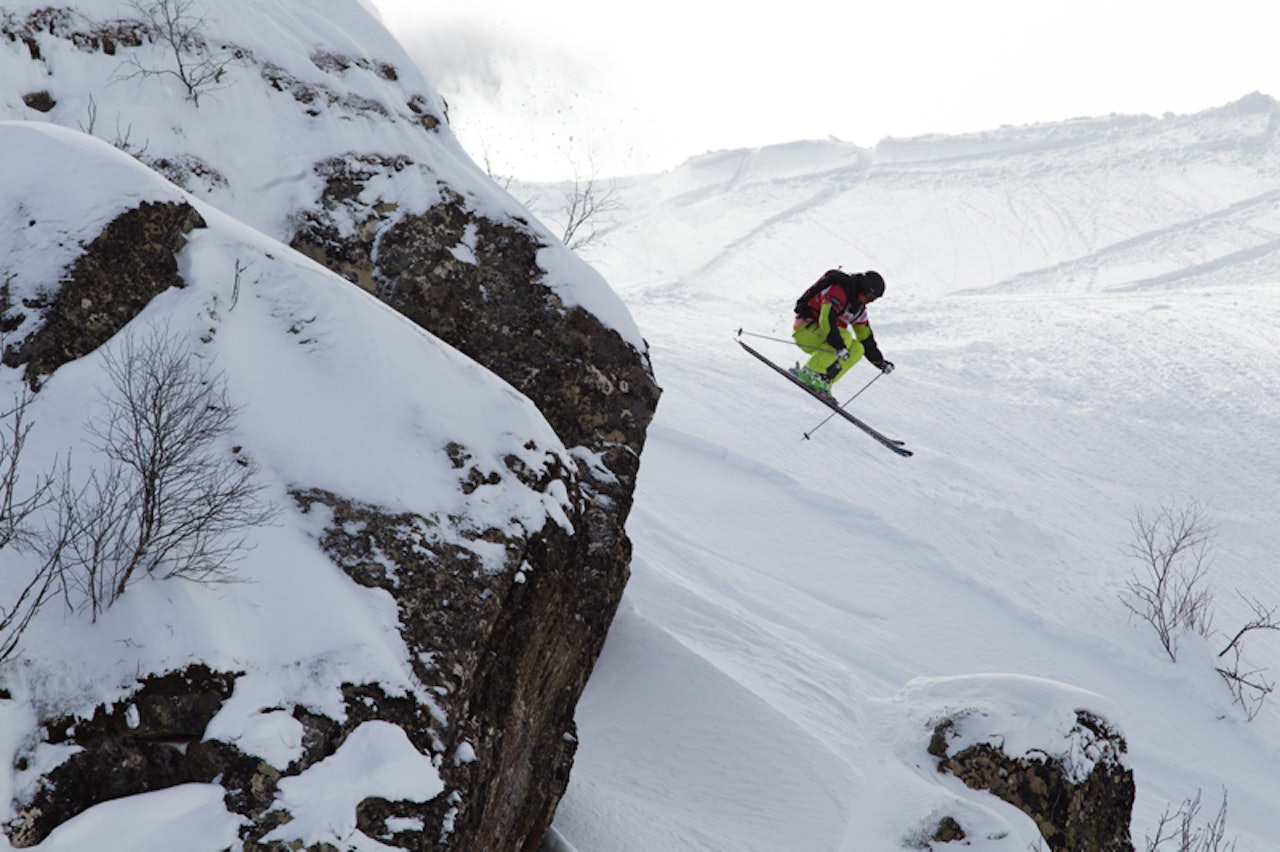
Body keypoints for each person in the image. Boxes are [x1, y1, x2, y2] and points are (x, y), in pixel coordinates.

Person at [790, 269, 894, 398]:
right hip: (806, 331)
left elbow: (865, 338)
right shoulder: (839, 291)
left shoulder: (858, 309)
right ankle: (810, 372)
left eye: (874, 299)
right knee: (845, 336)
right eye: (870, 296)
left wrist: (880, 362)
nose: (870, 301)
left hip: (825, 340)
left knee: (857, 349)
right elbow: (826, 319)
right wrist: (839, 346)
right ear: (862, 289)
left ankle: (824, 379)